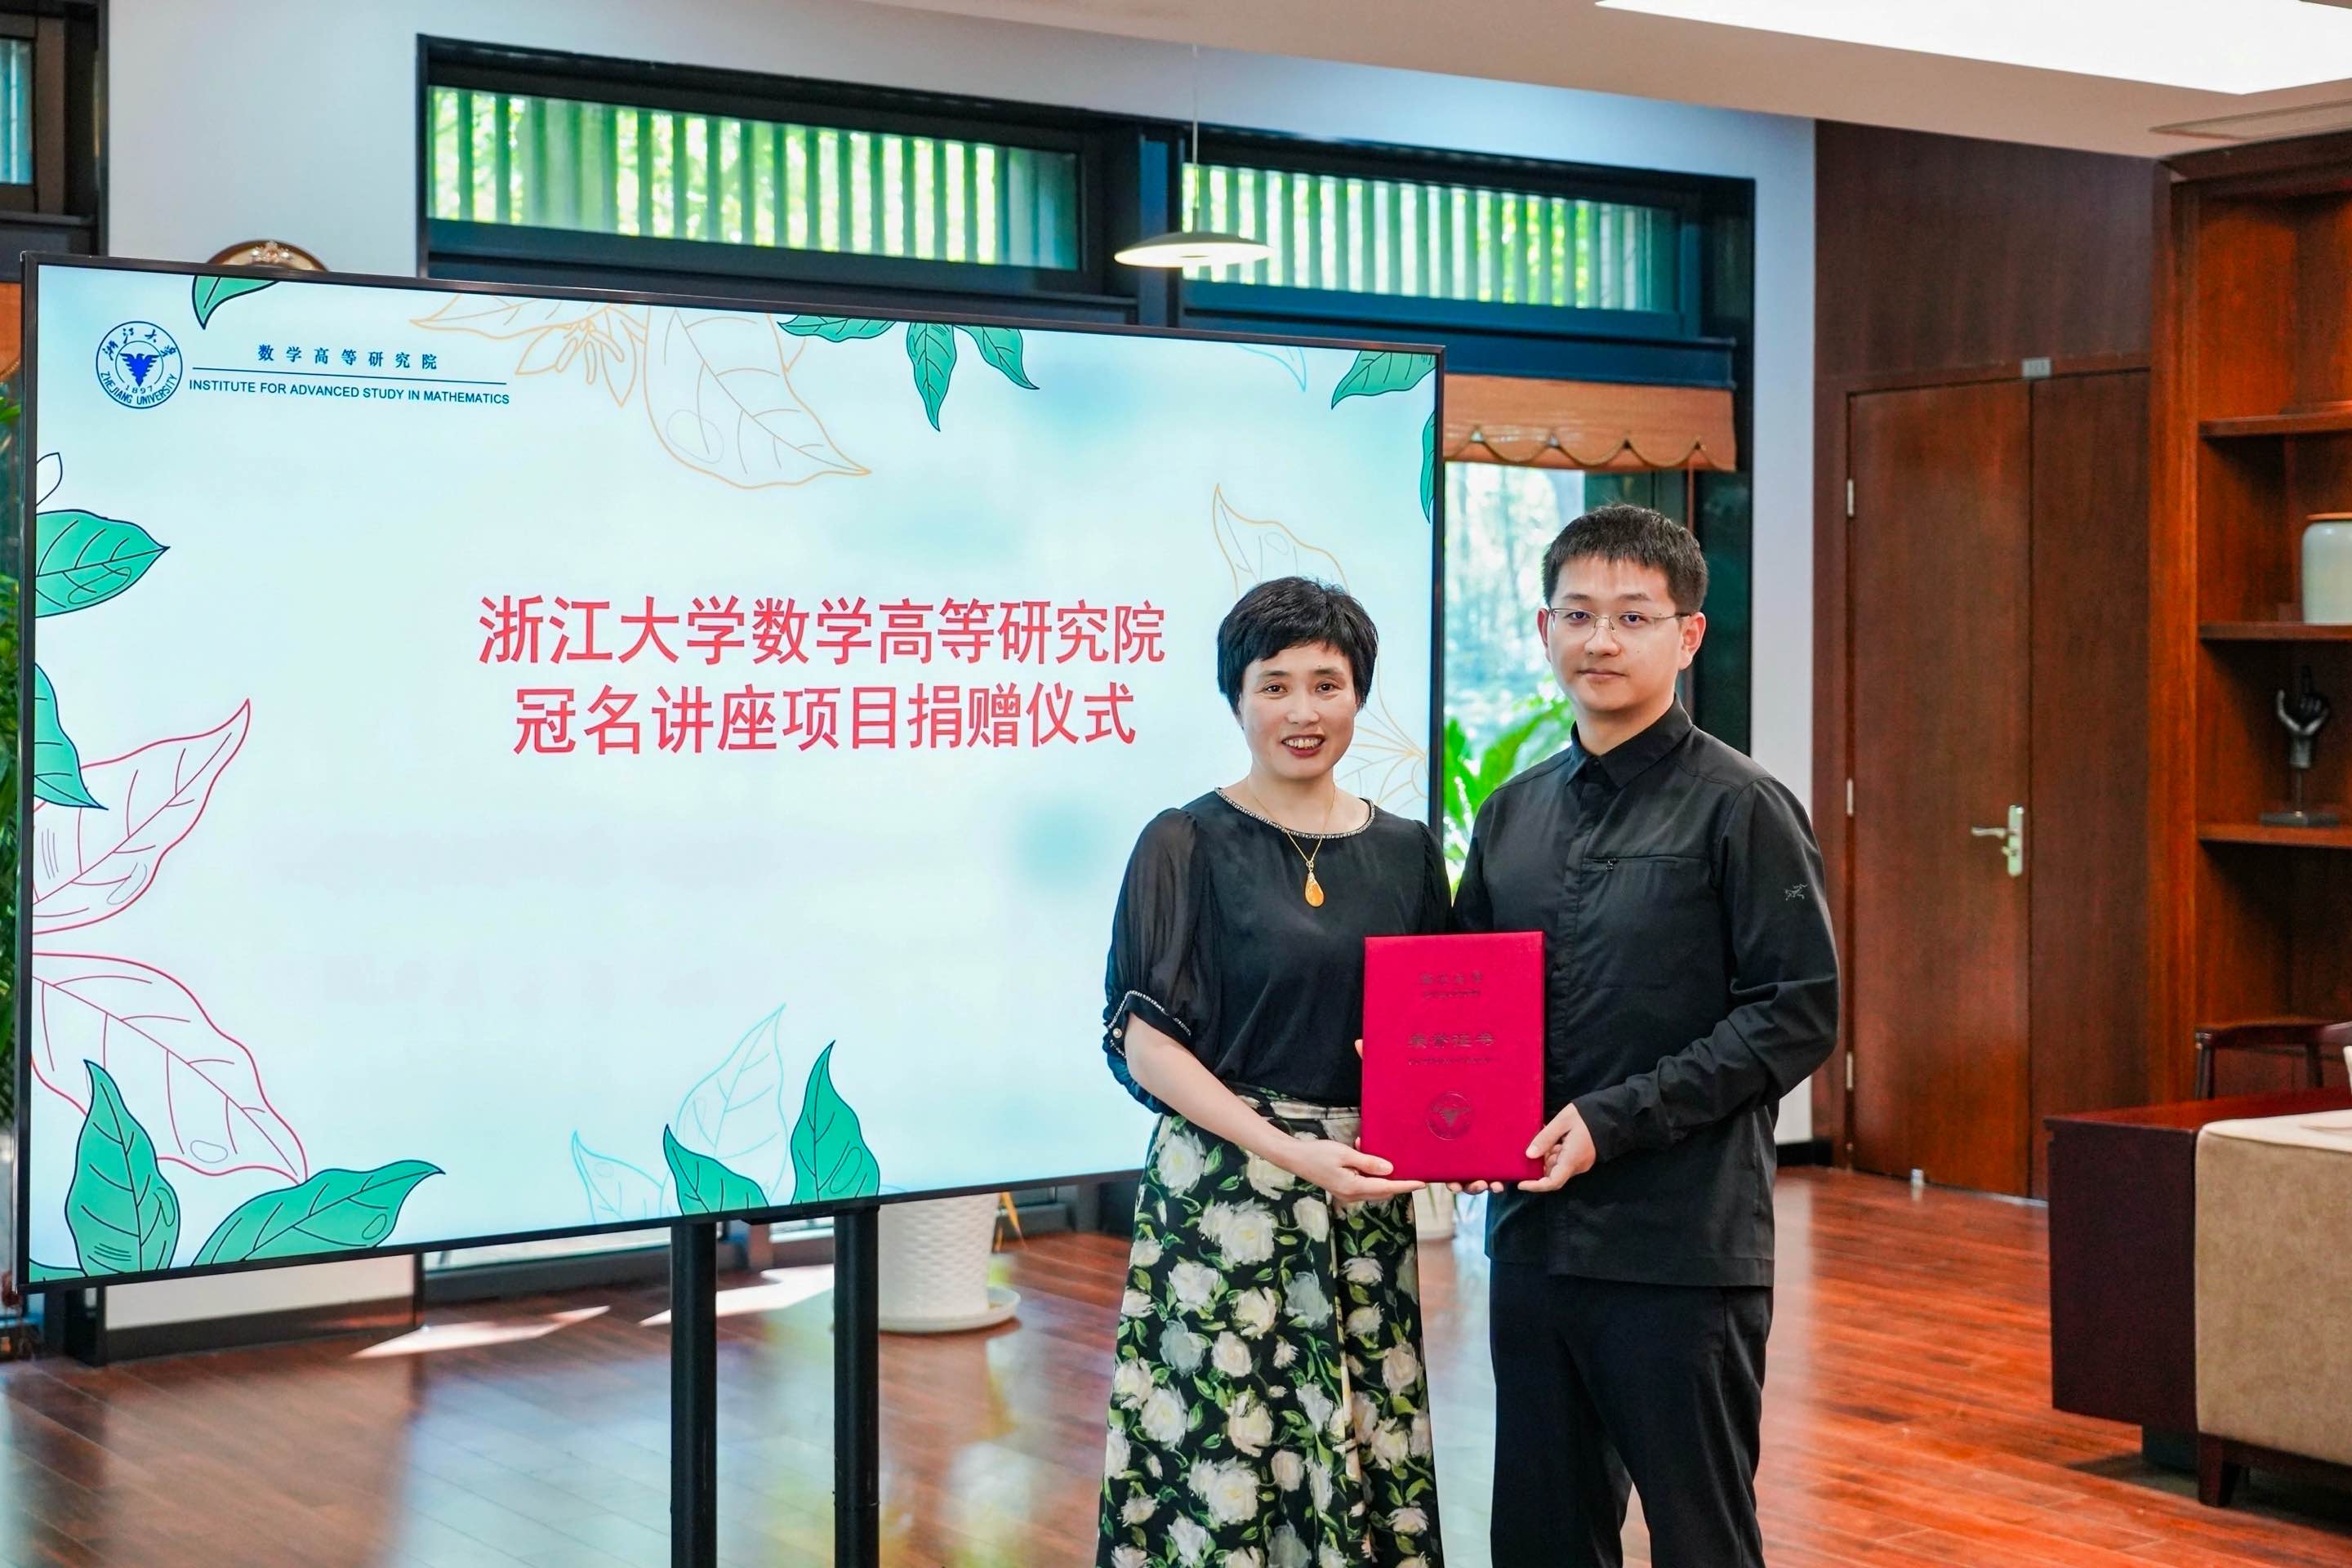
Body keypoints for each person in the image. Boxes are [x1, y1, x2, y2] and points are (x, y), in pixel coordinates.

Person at [1454, 504, 1838, 1568]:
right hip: (1534, 1240)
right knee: (1541, 1537)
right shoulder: (1511, 815)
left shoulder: (1744, 808)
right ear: (1544, 629)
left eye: (1633, 616)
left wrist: (1614, 1120)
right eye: (1577, 614)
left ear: (1689, 635)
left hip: (1681, 1249)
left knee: (1701, 1538)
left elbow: (1797, 1012)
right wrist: (1432, 1096)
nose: (1601, 640)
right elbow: (1469, 1003)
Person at [1096, 576, 1452, 1568]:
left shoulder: (1408, 852)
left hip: (1360, 1191)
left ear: (1359, 694)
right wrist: (1292, 1153)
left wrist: (1439, 1118)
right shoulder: (1184, 841)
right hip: (1222, 1194)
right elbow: (1146, 1042)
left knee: (1360, 1445)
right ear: (1237, 698)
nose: (1303, 711)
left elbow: (1442, 1026)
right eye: (1275, 685)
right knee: (1218, 1456)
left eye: (1327, 685)